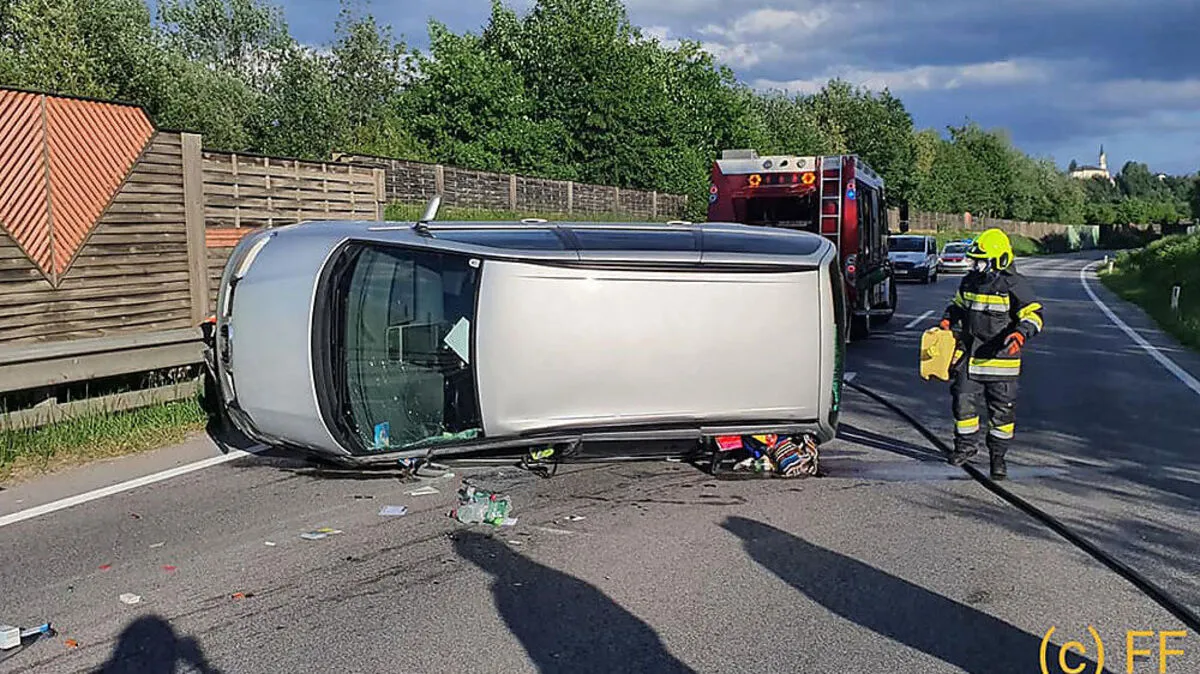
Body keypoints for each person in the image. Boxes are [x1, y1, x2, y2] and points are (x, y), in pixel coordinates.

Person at [936, 228, 1043, 479]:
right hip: (969, 358)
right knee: (962, 404)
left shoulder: (1015, 285)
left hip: (1001, 362)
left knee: (1002, 414)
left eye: (981, 261)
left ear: (999, 260)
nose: (976, 265)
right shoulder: (970, 281)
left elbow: (1034, 315)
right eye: (975, 260)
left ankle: (998, 458)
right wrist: (946, 321)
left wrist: (1019, 334)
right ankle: (964, 448)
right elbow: (959, 306)